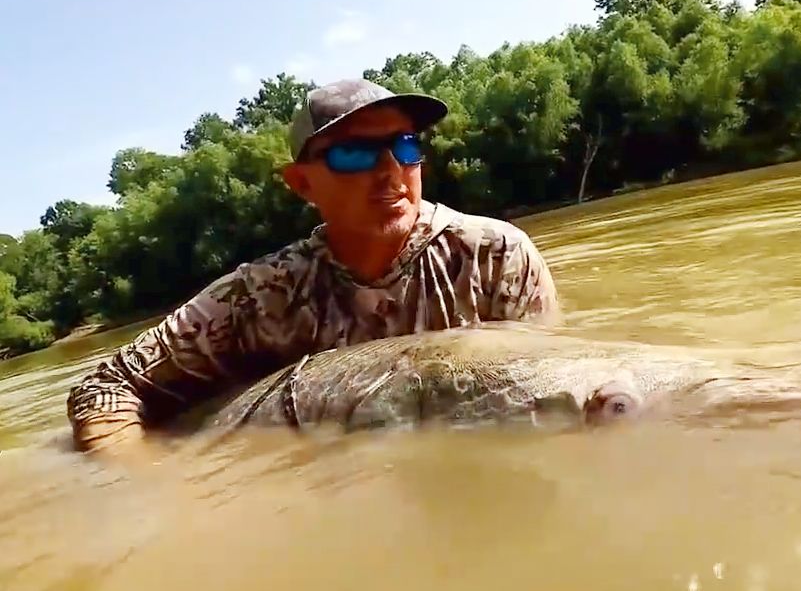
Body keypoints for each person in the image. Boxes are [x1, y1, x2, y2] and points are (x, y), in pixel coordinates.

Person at [67, 78, 562, 453]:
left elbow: (553, 388)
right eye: (353, 154)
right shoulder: (261, 296)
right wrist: (151, 492)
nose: (391, 170)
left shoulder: (496, 256)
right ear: (301, 184)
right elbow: (106, 388)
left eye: (406, 145)